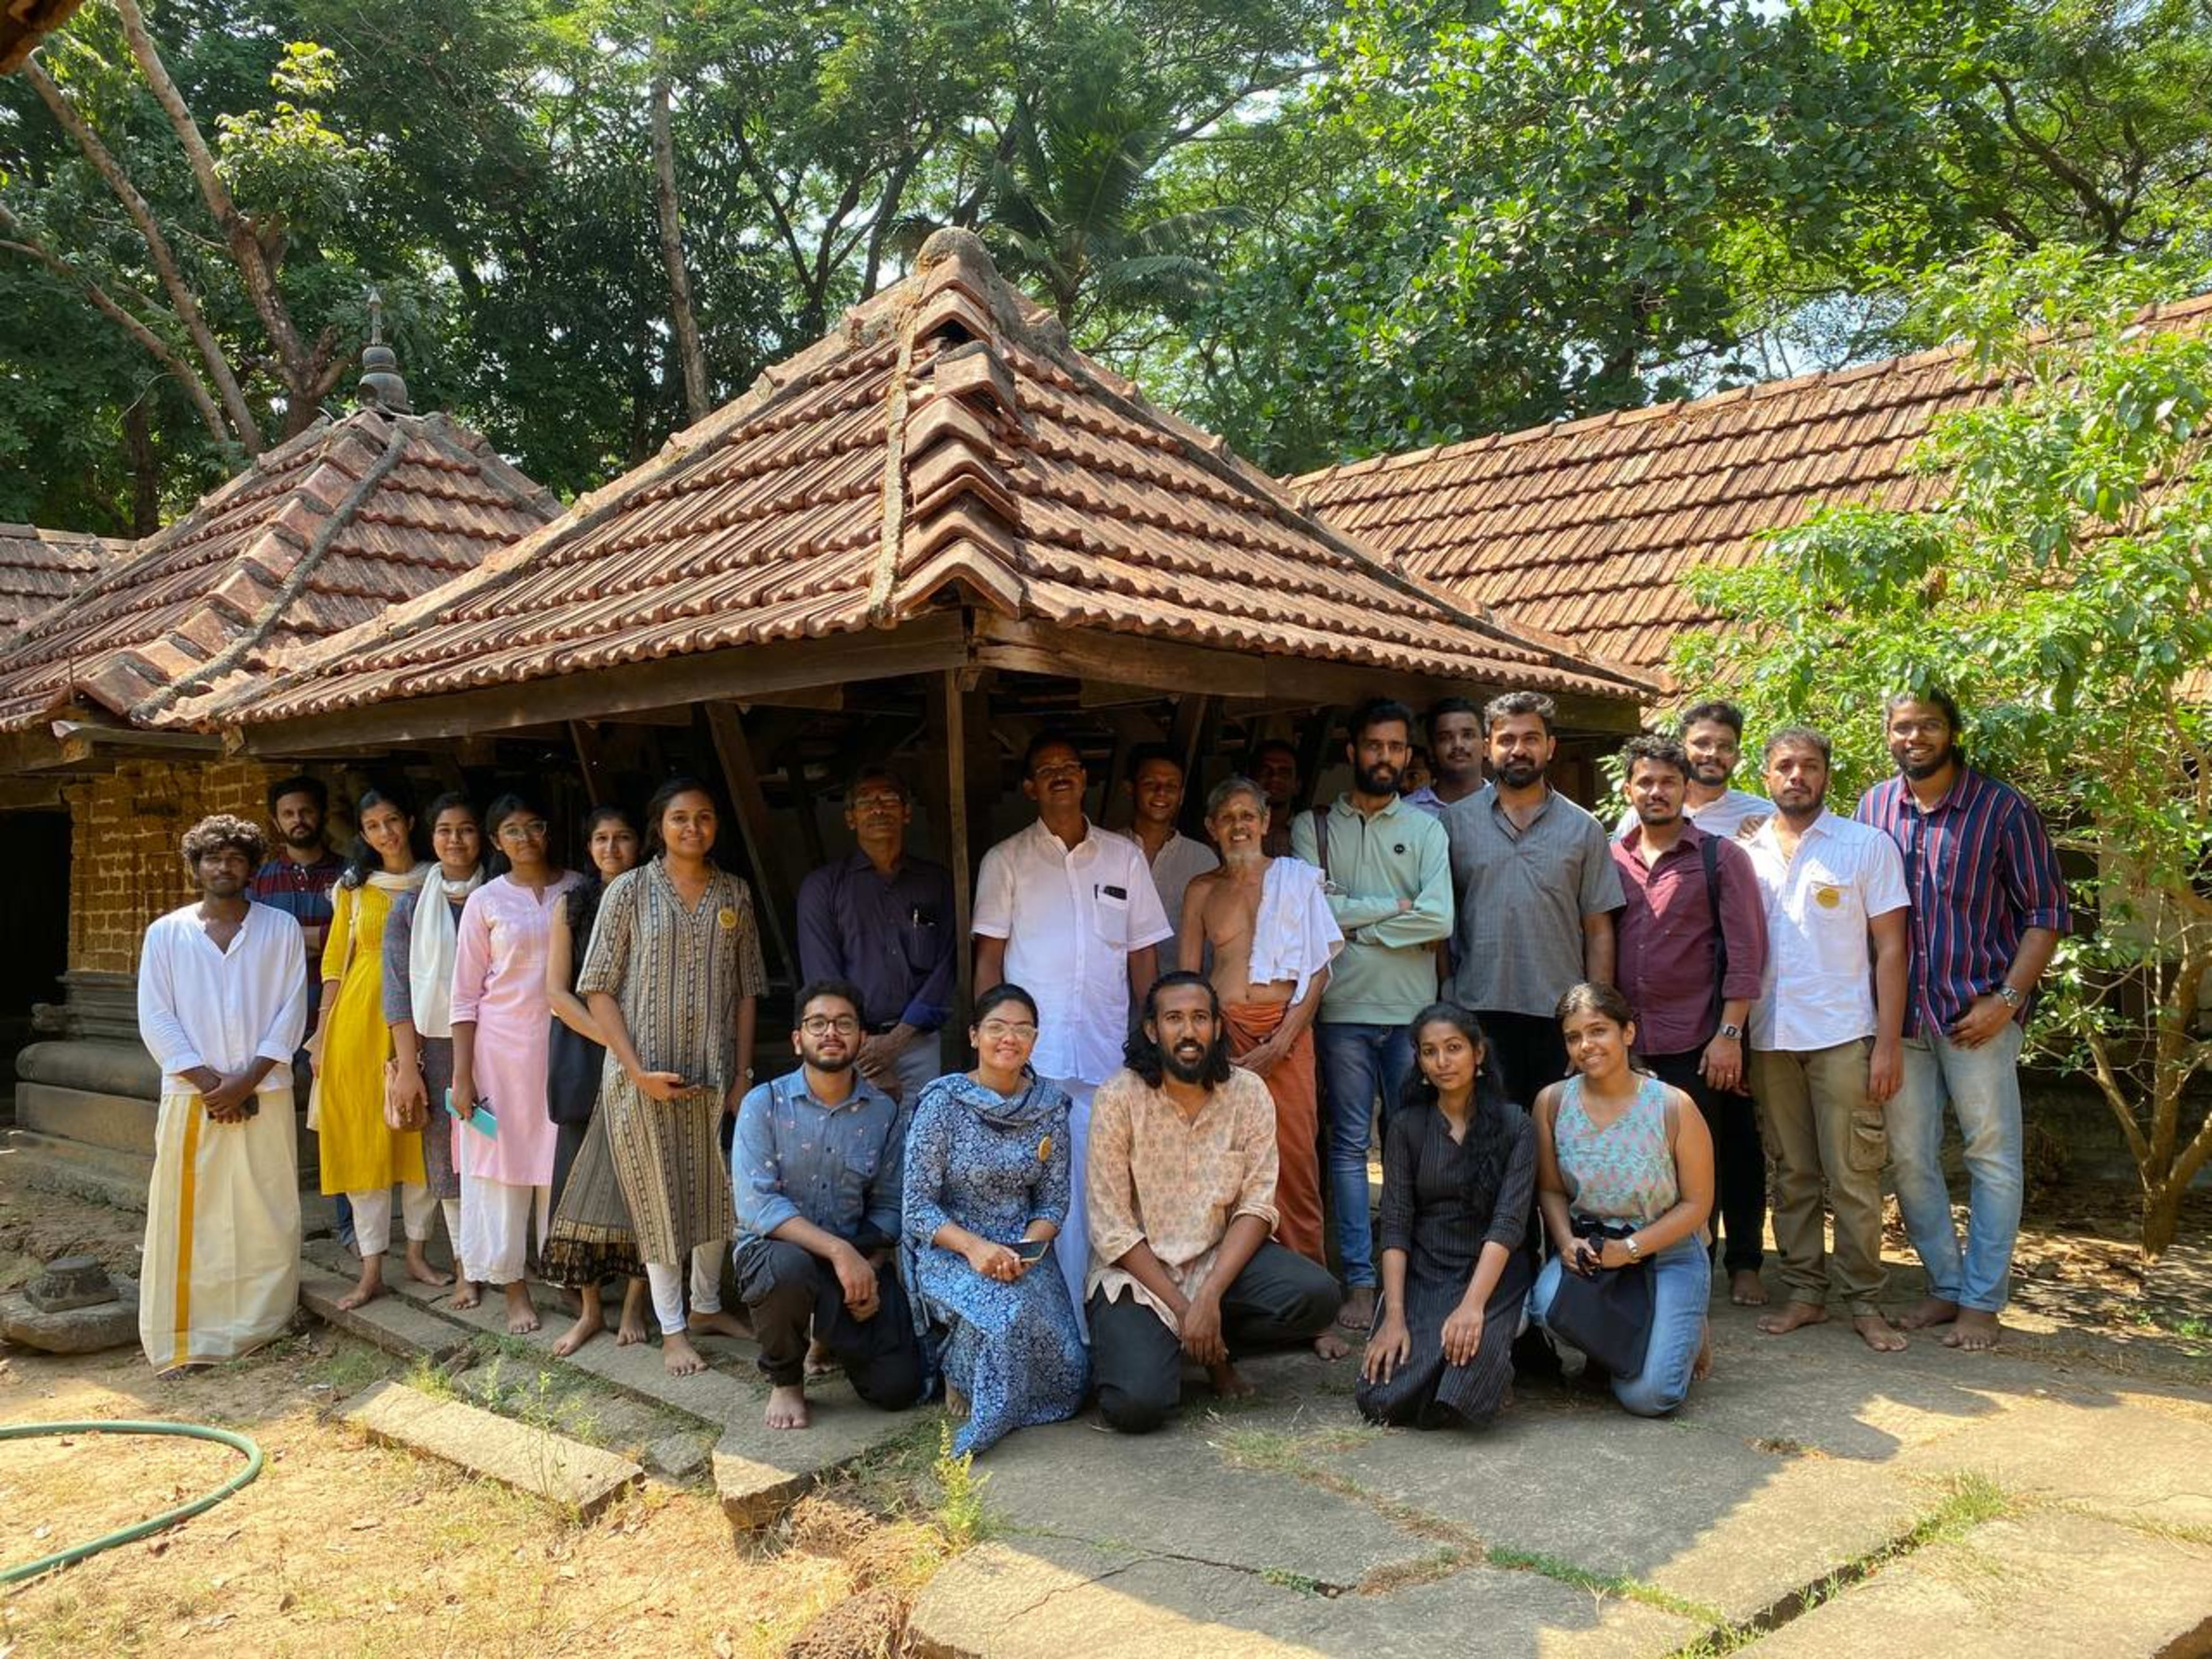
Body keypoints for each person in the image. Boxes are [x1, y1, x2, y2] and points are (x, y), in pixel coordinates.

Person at [1856, 690, 2067, 1351]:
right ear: (1887, 735)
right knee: (1910, 1159)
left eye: (1929, 725)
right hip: (1902, 1023)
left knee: (1991, 1158)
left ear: (1952, 733)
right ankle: (1946, 1285)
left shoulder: (2003, 809)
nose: (1915, 737)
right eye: (1902, 726)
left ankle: (1982, 1301)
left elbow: (2046, 914)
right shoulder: (1873, 807)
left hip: (1979, 1018)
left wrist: (2007, 1000)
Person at [973, 732, 1172, 1330]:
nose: (1060, 775)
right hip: (1035, 1058)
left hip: (1107, 1054)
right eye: (1046, 769)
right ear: (1029, 787)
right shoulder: (1006, 859)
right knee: (1035, 1192)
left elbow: (1142, 955)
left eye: (1071, 766)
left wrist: (1149, 1037)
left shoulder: (1124, 858)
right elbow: (990, 958)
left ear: (1086, 779)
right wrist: (989, 1042)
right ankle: (1043, 1322)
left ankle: (1099, 1319)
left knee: (1101, 1192)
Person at [1087, 973, 1343, 1432]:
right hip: (1140, 1275)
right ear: (1152, 1030)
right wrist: (1188, 1312)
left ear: (1218, 1027)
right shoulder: (1118, 1098)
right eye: (1174, 1019)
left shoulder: (1248, 1093)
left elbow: (1258, 1206)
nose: (1189, 1032)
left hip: (1220, 1265)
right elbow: (1113, 1229)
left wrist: (1208, 1297)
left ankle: (1208, 1339)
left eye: (1200, 1018)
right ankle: (1189, 1346)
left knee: (1317, 1297)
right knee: (1136, 1408)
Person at [581, 778, 763, 1376]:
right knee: (657, 1197)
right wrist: (636, 1071)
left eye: (704, 817)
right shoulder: (629, 891)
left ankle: (706, 1306)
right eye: (680, 817)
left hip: (714, 1072)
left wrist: (741, 1075)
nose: (693, 828)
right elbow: (598, 988)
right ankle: (672, 1329)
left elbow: (747, 991)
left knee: (715, 1191)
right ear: (659, 825)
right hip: (643, 1075)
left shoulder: (735, 892)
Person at [1743, 728, 1911, 1353]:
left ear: (1826, 776)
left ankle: (1865, 1300)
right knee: (1792, 1173)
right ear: (1766, 777)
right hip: (1770, 1036)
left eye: (1809, 766)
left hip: (1843, 1034)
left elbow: (1891, 949)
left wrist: (1887, 1044)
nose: (1797, 776)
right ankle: (1806, 1293)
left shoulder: (1865, 846)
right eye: (1785, 766)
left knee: (1854, 1176)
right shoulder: (1745, 853)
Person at [1291, 697, 1452, 1339]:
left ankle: (1410, 1276)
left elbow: (1441, 918)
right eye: (1375, 746)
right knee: (1349, 1148)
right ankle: (1359, 1281)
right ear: (1353, 751)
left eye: (1396, 747)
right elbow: (1314, 913)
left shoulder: (1428, 829)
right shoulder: (1314, 827)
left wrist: (1361, 927)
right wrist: (1397, 908)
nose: (1386, 758)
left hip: (1412, 1015)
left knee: (1413, 1146)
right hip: (1341, 1012)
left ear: (1408, 755)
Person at [137, 815, 306, 1374]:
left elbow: (292, 1010)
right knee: (193, 1212)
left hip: (266, 1089)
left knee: (266, 1207)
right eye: (213, 858)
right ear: (196, 867)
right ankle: (187, 1335)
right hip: (193, 1096)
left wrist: (246, 1082)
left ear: (252, 867)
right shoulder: (167, 933)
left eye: (236, 858)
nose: (224, 867)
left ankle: (264, 1324)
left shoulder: (280, 928)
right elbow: (156, 1017)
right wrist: (215, 1087)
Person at [1179, 775, 1342, 1351]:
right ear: (1211, 828)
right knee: (1223, 1165)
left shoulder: (1297, 879)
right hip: (1223, 1038)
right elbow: (1188, 980)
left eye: (1248, 815)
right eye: (1228, 818)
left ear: (1266, 822)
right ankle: (1220, 1299)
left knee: (1295, 1162)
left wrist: (1284, 1039)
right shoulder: (1202, 890)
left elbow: (1318, 969)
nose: (1239, 826)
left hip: (1287, 1033)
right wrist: (1204, 1043)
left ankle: (1315, 1312)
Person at [1611, 736, 1772, 1306]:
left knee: (1714, 1157)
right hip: (1631, 1042)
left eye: (1668, 782)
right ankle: (1655, 1270)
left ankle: (1726, 1268)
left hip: (1699, 1039)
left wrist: (1729, 1035)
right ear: (1628, 790)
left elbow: (1747, 953)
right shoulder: (1612, 857)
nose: (1656, 791)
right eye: (1645, 782)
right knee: (1644, 1161)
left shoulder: (1719, 857)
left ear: (1686, 789)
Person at [901, 984, 1088, 1455]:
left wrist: (1025, 1251)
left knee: (1070, 1372)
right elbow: (918, 1207)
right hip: (952, 1248)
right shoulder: (943, 1103)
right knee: (1006, 1318)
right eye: (997, 1027)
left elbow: (1053, 1203)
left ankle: (988, 1379)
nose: (1010, 1038)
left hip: (1022, 1252)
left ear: (1035, 1039)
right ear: (974, 1036)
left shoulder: (1049, 1107)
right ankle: (964, 1379)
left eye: (1022, 1029)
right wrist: (975, 1249)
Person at [733, 979, 925, 1430]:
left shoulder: (884, 1112)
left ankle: (829, 1336)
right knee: (788, 1267)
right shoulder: (764, 1103)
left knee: (899, 1387)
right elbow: (758, 1207)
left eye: (844, 1023)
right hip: (776, 1253)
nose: (831, 1033)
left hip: (855, 1254)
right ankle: (786, 1379)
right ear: (798, 1039)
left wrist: (869, 1265)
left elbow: (890, 1206)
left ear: (862, 1038)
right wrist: (839, 1252)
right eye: (817, 1023)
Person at [1528, 983, 1717, 1415]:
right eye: (1573, 1037)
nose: (1586, 1045)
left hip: (1668, 1254)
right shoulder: (1553, 1103)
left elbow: (1697, 1205)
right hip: (1595, 1253)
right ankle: (1640, 1338)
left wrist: (1630, 1249)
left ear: (1628, 1032)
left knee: (1649, 1398)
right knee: (1543, 1306)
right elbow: (1551, 1188)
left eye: (1598, 1031)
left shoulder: (1673, 1106)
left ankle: (1683, 1328)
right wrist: (1565, 1242)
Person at [1357, 1005, 1537, 1430]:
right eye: (1429, 1051)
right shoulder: (1407, 1126)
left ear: (1479, 1053)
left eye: (1454, 1048)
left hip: (1492, 1270)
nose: (1442, 1061)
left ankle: (1497, 1360)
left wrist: (1473, 1307)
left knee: (1462, 1388)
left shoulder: (1516, 1125)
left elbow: (1508, 1224)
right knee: (1381, 1397)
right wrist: (1394, 1316)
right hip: (1427, 1267)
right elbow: (1396, 1225)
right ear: (1419, 1062)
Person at [1444, 690, 1624, 1108]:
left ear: (1551, 746)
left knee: (1555, 1133)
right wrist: (1448, 996)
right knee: (1488, 1133)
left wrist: (1594, 1019)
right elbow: (1442, 924)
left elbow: (1599, 929)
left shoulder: (1584, 829)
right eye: (1507, 739)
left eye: (1531, 739)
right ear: (1487, 748)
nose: (1519, 750)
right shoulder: (1455, 823)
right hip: (1477, 1011)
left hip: (1559, 1014)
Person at [449, 790, 581, 1335]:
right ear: (496, 841)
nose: (525, 838)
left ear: (549, 830)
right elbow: (464, 996)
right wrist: (461, 1076)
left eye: (534, 825)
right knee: (502, 1170)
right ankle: (513, 1288)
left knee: (560, 1162)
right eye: (511, 830)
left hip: (566, 1049)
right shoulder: (485, 901)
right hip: (499, 1055)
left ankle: (567, 1274)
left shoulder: (578, 889)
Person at [309, 788, 433, 1312]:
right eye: (374, 826)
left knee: (423, 1141)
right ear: (363, 835)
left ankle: (419, 1255)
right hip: (358, 1024)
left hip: (425, 1016)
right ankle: (371, 1269)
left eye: (393, 820)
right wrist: (321, 1035)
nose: (387, 833)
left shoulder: (437, 881)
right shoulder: (354, 890)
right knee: (364, 1139)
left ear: (410, 820)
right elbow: (335, 962)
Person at [540, 805, 652, 1358]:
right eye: (601, 838)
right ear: (588, 848)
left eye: (623, 837)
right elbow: (556, 993)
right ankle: (590, 1309)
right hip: (586, 1049)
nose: (612, 848)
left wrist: (634, 1051)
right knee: (579, 1178)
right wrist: (614, 1042)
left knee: (643, 1181)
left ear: (640, 844)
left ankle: (634, 1304)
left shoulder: (656, 898)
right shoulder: (573, 903)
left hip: (648, 1049)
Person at [796, 767, 956, 1105]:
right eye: (866, 801)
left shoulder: (937, 883)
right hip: (847, 1043)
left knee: (921, 1132)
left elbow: (947, 966)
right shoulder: (823, 888)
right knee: (852, 1132)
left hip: (918, 1042)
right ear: (850, 818)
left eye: (889, 799)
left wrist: (897, 1040)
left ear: (907, 812)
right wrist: (862, 1046)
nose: (879, 808)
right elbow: (822, 978)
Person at [381, 793, 483, 1284]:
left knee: (499, 1145)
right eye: (445, 830)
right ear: (432, 837)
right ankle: (466, 1264)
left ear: (482, 837)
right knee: (446, 1153)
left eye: (466, 829)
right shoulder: (411, 907)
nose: (455, 840)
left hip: (499, 1042)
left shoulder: (499, 895)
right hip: (437, 1044)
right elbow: (398, 990)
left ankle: (501, 1254)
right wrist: (407, 1068)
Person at [248, 774, 347, 1241]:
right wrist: (320, 939)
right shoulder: (259, 880)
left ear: (321, 814)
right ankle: (271, 1226)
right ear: (276, 820)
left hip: (337, 1016)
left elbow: (358, 940)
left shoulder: (350, 876)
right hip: (276, 1021)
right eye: (288, 813)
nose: (298, 820)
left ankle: (350, 1228)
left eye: (306, 811)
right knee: (271, 1122)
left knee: (338, 1123)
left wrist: (293, 937)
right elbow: (252, 944)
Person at [1613, 702, 1772, 840]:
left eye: (1725, 747)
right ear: (1682, 749)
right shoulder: (1643, 816)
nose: (1713, 753)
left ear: (1737, 756)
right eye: (1702, 743)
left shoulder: (1763, 816)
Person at [1123, 744, 1218, 971]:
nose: (1161, 792)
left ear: (1182, 795)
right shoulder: (1105, 850)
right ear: (1130, 789)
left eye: (1171, 786)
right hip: (1114, 989)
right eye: (1150, 784)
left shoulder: (1203, 859)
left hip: (1181, 987)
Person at [1402, 698, 1484, 816]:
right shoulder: (1407, 812)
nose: (1458, 745)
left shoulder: (1505, 805)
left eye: (1468, 735)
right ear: (1431, 750)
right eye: (1445, 738)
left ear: (1486, 746)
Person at [1252, 738, 1302, 857]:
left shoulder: (1308, 833)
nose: (1275, 778)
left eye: (1284, 773)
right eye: (1265, 771)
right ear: (1250, 780)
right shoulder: (1231, 831)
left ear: (1297, 786)